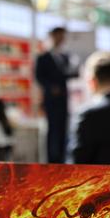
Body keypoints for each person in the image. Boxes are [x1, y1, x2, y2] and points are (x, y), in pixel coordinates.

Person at [35, 27, 73, 163]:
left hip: (63, 100)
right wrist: (51, 87)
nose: (61, 38)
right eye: (59, 35)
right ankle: (50, 161)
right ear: (53, 36)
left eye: (63, 36)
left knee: (63, 130)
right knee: (52, 131)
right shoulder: (43, 57)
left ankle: (61, 161)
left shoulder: (66, 57)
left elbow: (68, 75)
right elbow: (39, 76)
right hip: (51, 101)